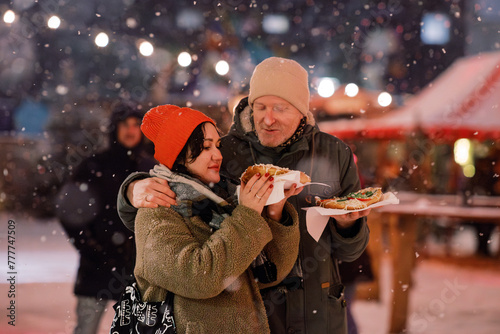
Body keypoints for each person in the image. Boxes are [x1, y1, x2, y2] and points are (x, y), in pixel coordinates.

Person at [118, 57, 370, 333]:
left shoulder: (335, 154)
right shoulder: (225, 154)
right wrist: (131, 188)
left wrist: (348, 226)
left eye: (280, 108)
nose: (268, 118)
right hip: (255, 312)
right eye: (260, 106)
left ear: (301, 110)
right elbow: (174, 184)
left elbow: (348, 252)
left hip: (317, 311)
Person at [131, 104, 300, 333]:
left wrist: (275, 211)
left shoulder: (223, 201)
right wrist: (248, 215)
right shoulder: (158, 208)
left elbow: (269, 274)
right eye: (205, 147)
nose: (217, 155)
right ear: (179, 154)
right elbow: (199, 279)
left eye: (217, 145)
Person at [56, 101, 156, 334]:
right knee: (86, 329)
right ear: (114, 129)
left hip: (137, 270)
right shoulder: (92, 167)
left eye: (136, 125)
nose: (131, 131)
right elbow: (70, 213)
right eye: (125, 125)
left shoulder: (151, 168)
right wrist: (89, 247)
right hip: (96, 269)